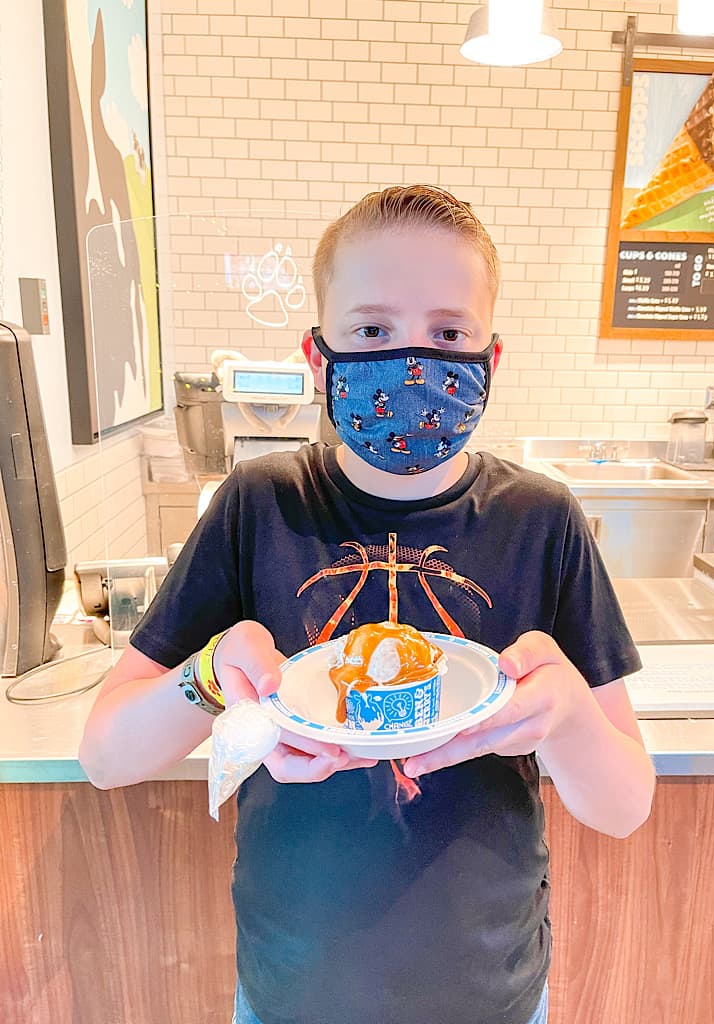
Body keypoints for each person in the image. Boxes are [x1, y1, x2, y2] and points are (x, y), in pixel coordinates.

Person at [79, 185, 655, 1024]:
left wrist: (567, 720)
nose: (414, 362)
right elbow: (104, 755)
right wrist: (209, 675)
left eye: (449, 333)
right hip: (290, 992)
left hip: (491, 993)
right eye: (373, 331)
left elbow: (626, 805)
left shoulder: (542, 522)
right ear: (320, 357)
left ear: (490, 360)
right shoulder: (257, 506)